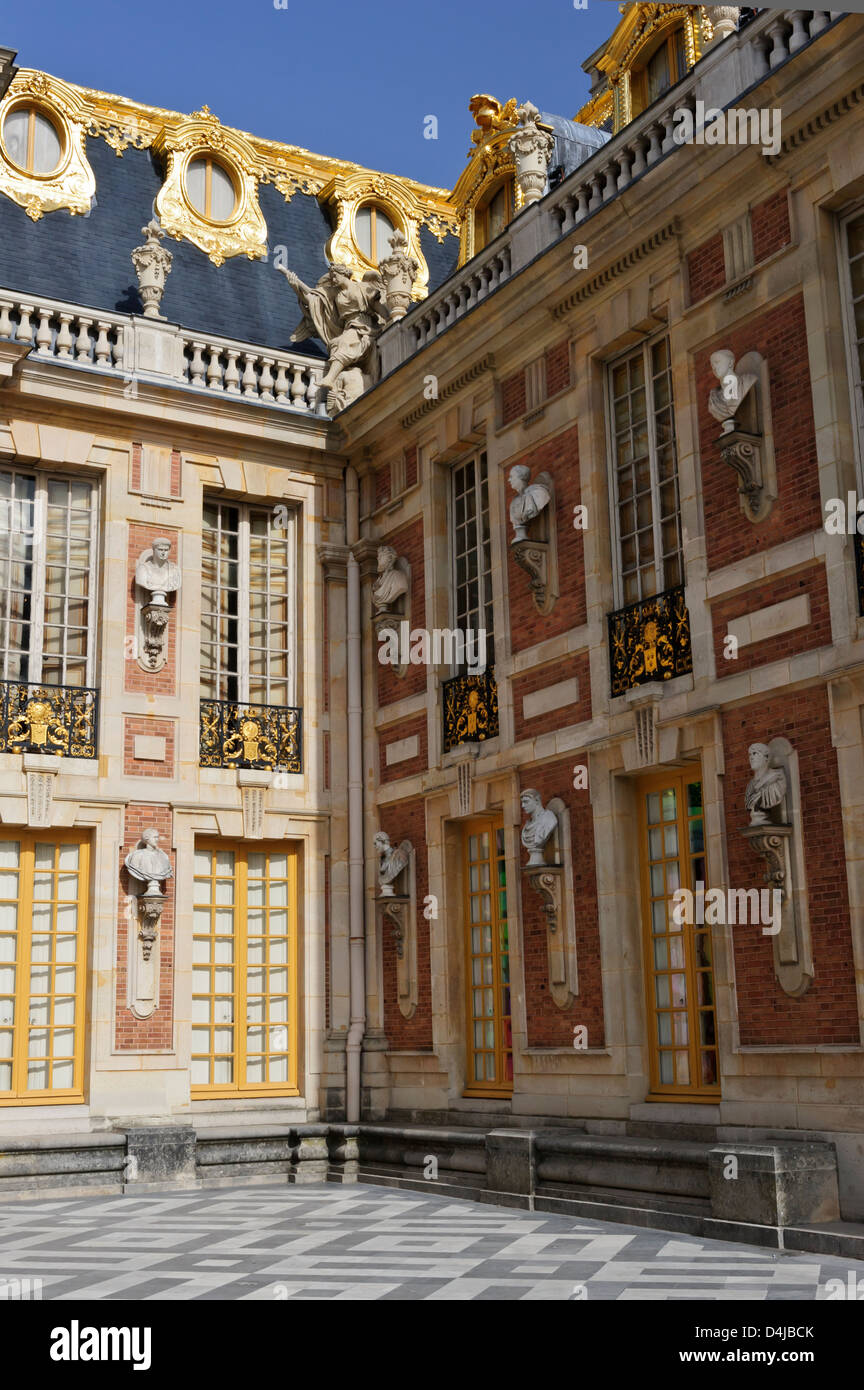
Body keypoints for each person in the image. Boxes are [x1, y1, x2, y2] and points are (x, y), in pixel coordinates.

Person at [744, 743, 787, 825]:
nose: (751, 757)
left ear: (766, 757)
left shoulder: (776, 777)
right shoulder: (750, 785)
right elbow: (748, 803)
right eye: (750, 755)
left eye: (755, 753)